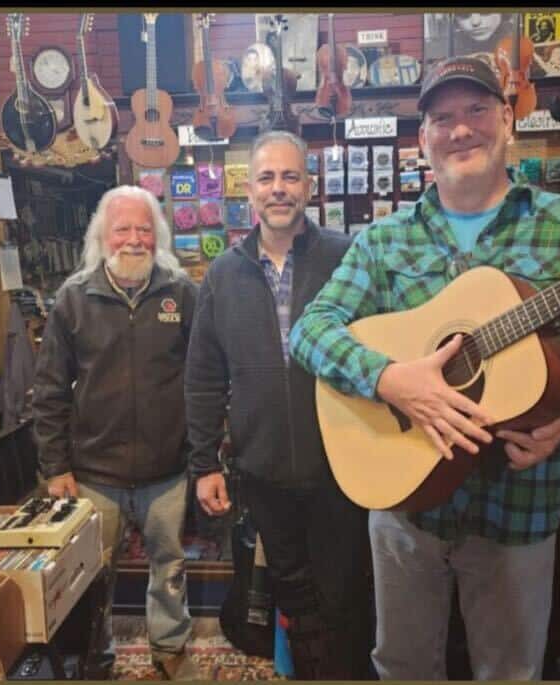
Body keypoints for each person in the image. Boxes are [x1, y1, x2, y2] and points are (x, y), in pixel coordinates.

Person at [290, 56, 560, 681]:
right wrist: (389, 379)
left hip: (517, 509)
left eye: (477, 111)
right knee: (401, 666)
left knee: (509, 672)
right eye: (442, 118)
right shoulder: (384, 241)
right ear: (423, 137)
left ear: (508, 119)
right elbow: (309, 332)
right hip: (406, 504)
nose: (461, 131)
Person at [185, 130, 373, 680]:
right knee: (293, 594)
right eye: (266, 177)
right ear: (250, 192)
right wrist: (204, 466)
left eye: (290, 176)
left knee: (346, 593)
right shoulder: (222, 274)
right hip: (262, 470)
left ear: (309, 188)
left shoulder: (346, 255)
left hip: (341, 465)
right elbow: (202, 379)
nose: (278, 189)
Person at [33, 185, 203, 680]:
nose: (134, 240)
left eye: (144, 229)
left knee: (169, 572)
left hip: (166, 471)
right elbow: (48, 392)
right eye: (123, 229)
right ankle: (94, 659)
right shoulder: (72, 299)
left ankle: (169, 652)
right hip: (93, 475)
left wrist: (203, 455)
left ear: (159, 236)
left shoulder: (182, 293)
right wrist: (55, 467)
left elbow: (203, 378)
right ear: (102, 238)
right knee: (89, 581)